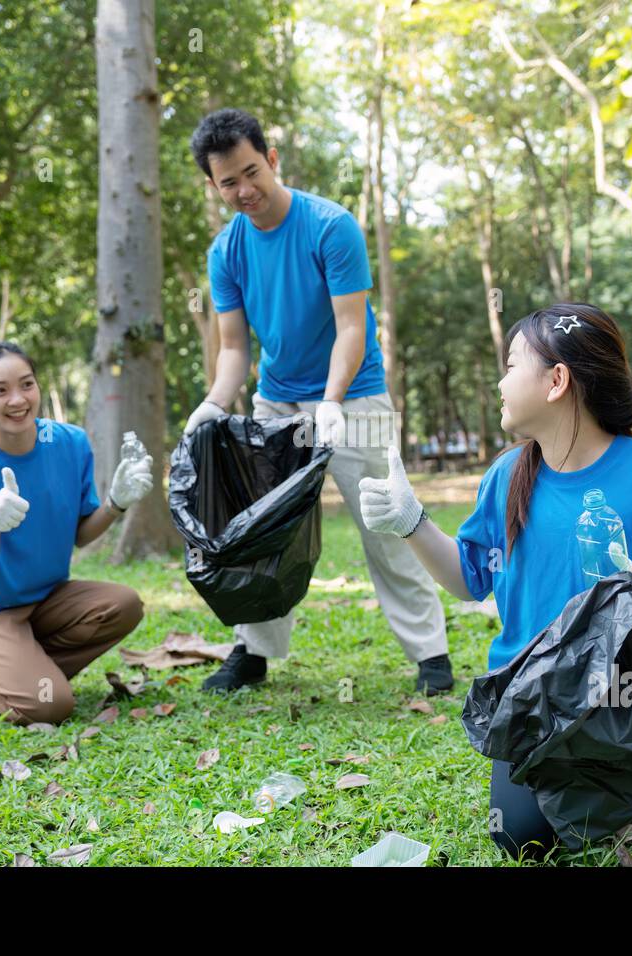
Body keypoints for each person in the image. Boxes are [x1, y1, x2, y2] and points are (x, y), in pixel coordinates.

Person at [358, 303, 632, 860]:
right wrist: (411, 524)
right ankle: (607, 793)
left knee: (589, 828)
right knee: (520, 836)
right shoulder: (506, 476)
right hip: (534, 696)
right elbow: (468, 580)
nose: (501, 382)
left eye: (512, 365)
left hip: (631, 691)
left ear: (557, 380)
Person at [184, 107, 450, 695]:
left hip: (353, 398)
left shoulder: (331, 227)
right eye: (229, 182)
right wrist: (213, 404)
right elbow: (233, 349)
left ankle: (431, 654)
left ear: (272, 160)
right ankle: (254, 650)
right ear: (213, 184)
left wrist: (330, 401)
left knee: (386, 524)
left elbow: (350, 328)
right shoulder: (225, 252)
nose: (245, 190)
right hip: (275, 405)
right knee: (259, 533)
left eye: (253, 172)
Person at [0, 341, 153, 725]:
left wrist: (116, 503)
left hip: (46, 601)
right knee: (50, 706)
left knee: (123, 604)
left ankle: (13, 667)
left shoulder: (71, 443)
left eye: (26, 384)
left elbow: (81, 534)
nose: (17, 400)